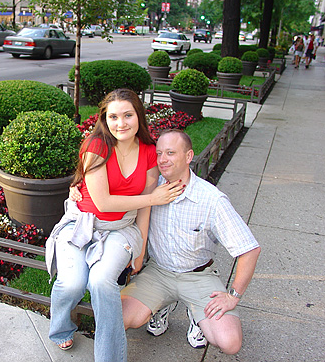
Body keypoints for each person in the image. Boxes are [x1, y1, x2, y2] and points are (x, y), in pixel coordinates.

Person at [46, 89, 183, 362]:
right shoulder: (96, 146)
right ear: (104, 120)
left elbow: (143, 208)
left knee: (101, 282)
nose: (121, 123)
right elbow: (103, 201)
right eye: (113, 117)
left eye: (128, 115)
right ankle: (61, 328)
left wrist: (141, 248)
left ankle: (109, 357)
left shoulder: (147, 152)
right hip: (81, 223)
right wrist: (153, 196)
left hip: (122, 228)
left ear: (138, 116)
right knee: (72, 283)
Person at [121, 129, 261, 355]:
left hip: (198, 276)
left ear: (188, 157)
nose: (162, 160)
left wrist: (233, 296)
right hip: (158, 273)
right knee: (118, 318)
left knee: (229, 342)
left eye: (170, 152)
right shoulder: (150, 188)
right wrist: (76, 187)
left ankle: (198, 316)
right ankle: (161, 306)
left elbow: (250, 250)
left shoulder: (211, 200)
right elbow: (109, 189)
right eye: (159, 153)